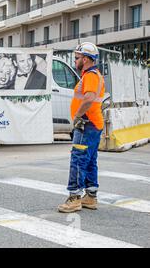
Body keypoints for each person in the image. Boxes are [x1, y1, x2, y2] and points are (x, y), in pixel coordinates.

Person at [58, 42, 105, 213]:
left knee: (78, 160)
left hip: (87, 124)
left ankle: (74, 197)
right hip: (92, 124)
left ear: (85, 59)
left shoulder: (91, 75)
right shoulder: (91, 75)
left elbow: (89, 98)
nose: (75, 60)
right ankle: (90, 196)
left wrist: (77, 116)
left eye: (77, 58)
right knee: (90, 160)